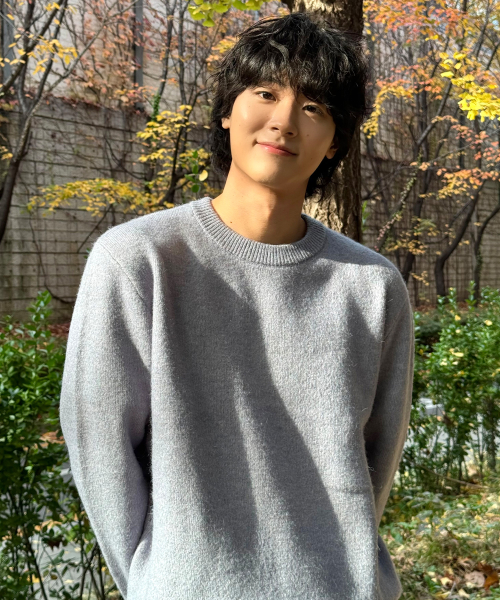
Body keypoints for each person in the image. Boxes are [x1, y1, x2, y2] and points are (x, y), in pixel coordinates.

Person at [59, 11, 414, 600]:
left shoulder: (372, 287)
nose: (283, 121)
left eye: (313, 107)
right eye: (266, 93)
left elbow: (378, 456)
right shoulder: (139, 261)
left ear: (335, 142)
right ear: (227, 110)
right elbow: (98, 442)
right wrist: (153, 578)